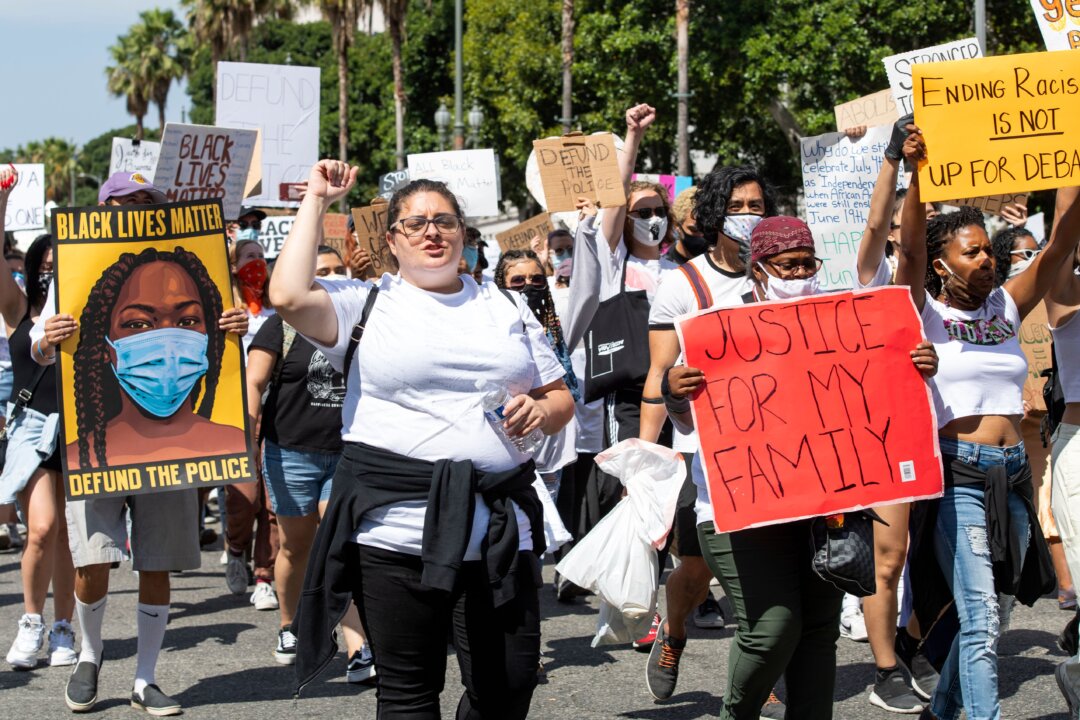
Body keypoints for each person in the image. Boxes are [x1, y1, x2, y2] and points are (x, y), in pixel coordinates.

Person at [276, 160, 573, 719]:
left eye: (444, 220)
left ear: (463, 232)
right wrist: (316, 198)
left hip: (499, 535)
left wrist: (540, 408)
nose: (431, 232)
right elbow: (288, 296)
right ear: (392, 239)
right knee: (409, 696)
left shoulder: (508, 306)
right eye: (414, 224)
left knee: (508, 685)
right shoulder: (363, 302)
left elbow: (560, 398)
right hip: (396, 537)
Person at [676, 215, 938, 720]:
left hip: (822, 505)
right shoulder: (719, 328)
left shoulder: (841, 319)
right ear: (758, 270)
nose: (800, 274)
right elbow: (687, 413)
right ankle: (738, 713)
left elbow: (877, 384)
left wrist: (917, 363)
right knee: (773, 629)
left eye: (807, 263)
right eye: (787, 265)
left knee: (818, 630)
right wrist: (674, 390)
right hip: (743, 505)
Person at [30, 171, 249, 715]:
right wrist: (47, 339)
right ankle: (89, 654)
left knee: (156, 563)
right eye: (126, 204)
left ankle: (146, 679)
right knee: (93, 562)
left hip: (174, 458)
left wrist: (236, 322)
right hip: (95, 453)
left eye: (146, 203)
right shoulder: (77, 265)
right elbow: (38, 343)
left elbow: (229, 331)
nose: (136, 210)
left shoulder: (192, 266)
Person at [898, 127, 1064, 720]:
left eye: (989, 251)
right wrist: (916, 174)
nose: (988, 259)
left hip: (1013, 473)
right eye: (972, 252)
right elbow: (910, 252)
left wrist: (1070, 163)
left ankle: (942, 712)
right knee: (981, 616)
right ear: (942, 265)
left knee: (993, 606)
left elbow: (1062, 243)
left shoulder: (1009, 304)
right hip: (959, 477)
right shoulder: (922, 311)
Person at [639, 165, 776, 704]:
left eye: (758, 206)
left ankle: (761, 677)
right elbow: (658, 374)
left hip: (771, 445)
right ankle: (674, 632)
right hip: (703, 449)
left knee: (755, 569)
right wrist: (646, 460)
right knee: (696, 571)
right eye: (738, 206)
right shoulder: (681, 284)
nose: (749, 216)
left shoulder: (780, 274)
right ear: (716, 214)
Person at [245, 244, 373, 681]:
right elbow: (254, 380)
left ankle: (358, 646)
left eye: (339, 270)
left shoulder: (363, 319)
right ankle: (290, 623)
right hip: (290, 453)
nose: (332, 277)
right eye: (322, 270)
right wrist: (243, 437)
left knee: (337, 544)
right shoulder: (279, 326)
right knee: (295, 547)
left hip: (346, 453)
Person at [848, 119, 940, 713]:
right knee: (889, 556)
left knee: (939, 560)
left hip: (947, 437)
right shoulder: (877, 284)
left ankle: (913, 642)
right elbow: (887, 228)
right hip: (889, 436)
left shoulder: (961, 299)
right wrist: (896, 164)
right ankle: (885, 667)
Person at [0, 165, 76, 671]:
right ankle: (32, 622)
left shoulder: (91, 311)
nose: (50, 271)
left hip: (83, 430)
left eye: (59, 264)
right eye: (42, 265)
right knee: (43, 529)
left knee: (71, 536)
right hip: (36, 427)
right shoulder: (20, 310)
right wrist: (1, 205)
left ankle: (65, 626)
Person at [224, 236, 280, 607]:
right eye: (248, 257)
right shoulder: (227, 309)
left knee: (273, 502)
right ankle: (235, 546)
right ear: (232, 265)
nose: (257, 262)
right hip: (237, 412)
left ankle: (265, 575)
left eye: (261, 256)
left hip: (277, 409)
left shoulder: (279, 308)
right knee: (245, 498)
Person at [664, 186, 708, 265]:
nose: (702, 235)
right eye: (694, 230)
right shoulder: (665, 268)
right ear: (677, 225)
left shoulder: (718, 265)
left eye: (707, 229)